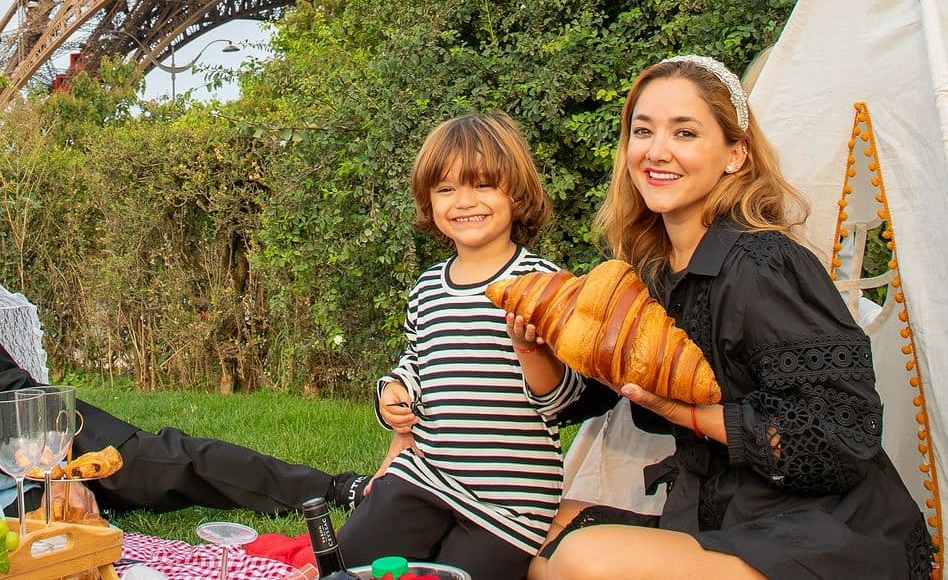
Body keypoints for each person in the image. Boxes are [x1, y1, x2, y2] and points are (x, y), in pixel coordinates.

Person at [515, 55, 934, 580]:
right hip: (724, 515)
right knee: (532, 531)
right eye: (642, 131)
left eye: (684, 132)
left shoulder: (762, 264)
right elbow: (594, 394)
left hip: (827, 533)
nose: (656, 151)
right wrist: (533, 343)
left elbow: (843, 436)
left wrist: (682, 411)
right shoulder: (651, 271)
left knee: (582, 561)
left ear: (735, 154)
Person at [337, 112, 584, 580]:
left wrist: (529, 350)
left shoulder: (544, 284)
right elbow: (418, 359)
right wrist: (393, 390)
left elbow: (564, 400)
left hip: (509, 499)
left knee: (459, 574)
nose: (464, 202)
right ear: (429, 202)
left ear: (517, 193)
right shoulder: (428, 288)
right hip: (427, 475)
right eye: (446, 189)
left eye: (483, 185)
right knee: (349, 564)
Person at [0, 343, 364, 516]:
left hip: (56, 444)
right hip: (11, 505)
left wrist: (55, 475)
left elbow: (15, 390)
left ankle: (332, 489)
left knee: (175, 461)